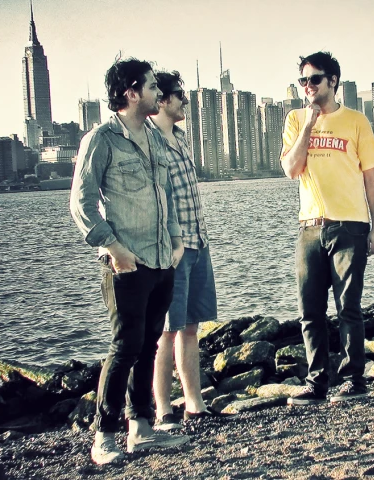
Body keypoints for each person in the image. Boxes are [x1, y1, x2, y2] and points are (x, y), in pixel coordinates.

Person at [70, 57, 189, 465]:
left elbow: (167, 194)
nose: (159, 92)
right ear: (131, 92)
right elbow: (80, 203)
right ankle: (104, 437)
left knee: (150, 345)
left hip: (160, 260)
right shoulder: (101, 139)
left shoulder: (156, 138)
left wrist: (175, 242)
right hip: (126, 264)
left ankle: (140, 429)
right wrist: (113, 249)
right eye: (153, 86)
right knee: (124, 347)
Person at [280, 51, 374, 405]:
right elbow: (292, 170)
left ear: (333, 81)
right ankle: (317, 383)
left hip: (351, 226)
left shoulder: (356, 121)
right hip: (309, 228)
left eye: (315, 80)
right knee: (310, 310)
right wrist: (309, 124)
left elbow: (372, 176)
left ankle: (355, 378)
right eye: (303, 81)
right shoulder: (295, 119)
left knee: (348, 307)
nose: (308, 87)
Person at [148, 71, 225, 429]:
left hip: (199, 243)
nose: (185, 102)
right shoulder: (149, 142)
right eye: (179, 95)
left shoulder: (180, 139)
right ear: (161, 99)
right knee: (166, 330)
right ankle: (163, 409)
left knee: (191, 327)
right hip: (171, 251)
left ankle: (194, 404)